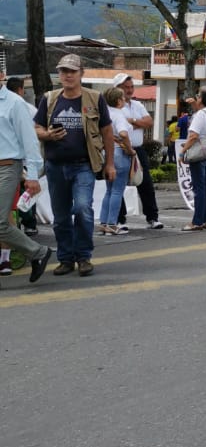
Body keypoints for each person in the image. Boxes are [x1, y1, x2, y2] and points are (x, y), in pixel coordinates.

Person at [34, 53, 114, 278]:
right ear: (59, 74)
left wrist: (110, 164)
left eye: (72, 71)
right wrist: (48, 135)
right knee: (60, 217)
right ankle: (66, 259)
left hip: (84, 165)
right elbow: (36, 128)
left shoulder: (95, 98)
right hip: (55, 166)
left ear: (81, 73)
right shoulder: (49, 99)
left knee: (82, 208)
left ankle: (84, 256)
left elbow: (108, 133)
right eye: (63, 71)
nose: (67, 75)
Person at [0, 67, 52, 284]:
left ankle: (38, 252)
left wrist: (32, 176)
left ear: (1, 75)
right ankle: (37, 253)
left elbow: (30, 141)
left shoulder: (14, 102)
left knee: (0, 223)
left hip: (7, 166)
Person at [112, 73, 164, 230]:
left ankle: (152, 217)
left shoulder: (137, 105)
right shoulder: (112, 107)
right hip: (119, 149)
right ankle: (120, 219)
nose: (129, 90)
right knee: (118, 185)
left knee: (145, 183)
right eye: (125, 87)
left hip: (138, 150)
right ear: (117, 89)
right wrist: (136, 124)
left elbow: (149, 121)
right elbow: (116, 128)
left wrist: (132, 122)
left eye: (131, 87)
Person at [180, 85, 206, 231]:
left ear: (201, 99)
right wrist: (194, 104)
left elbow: (194, 135)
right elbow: (205, 119)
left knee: (199, 188)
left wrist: (182, 152)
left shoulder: (200, 115)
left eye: (198, 96)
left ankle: (197, 221)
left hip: (198, 154)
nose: (196, 97)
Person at [98, 86, 136, 234]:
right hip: (120, 152)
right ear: (118, 100)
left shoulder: (105, 113)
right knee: (117, 191)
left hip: (107, 152)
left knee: (109, 190)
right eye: (122, 98)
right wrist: (130, 149)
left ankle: (103, 221)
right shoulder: (119, 114)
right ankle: (112, 223)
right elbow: (123, 133)